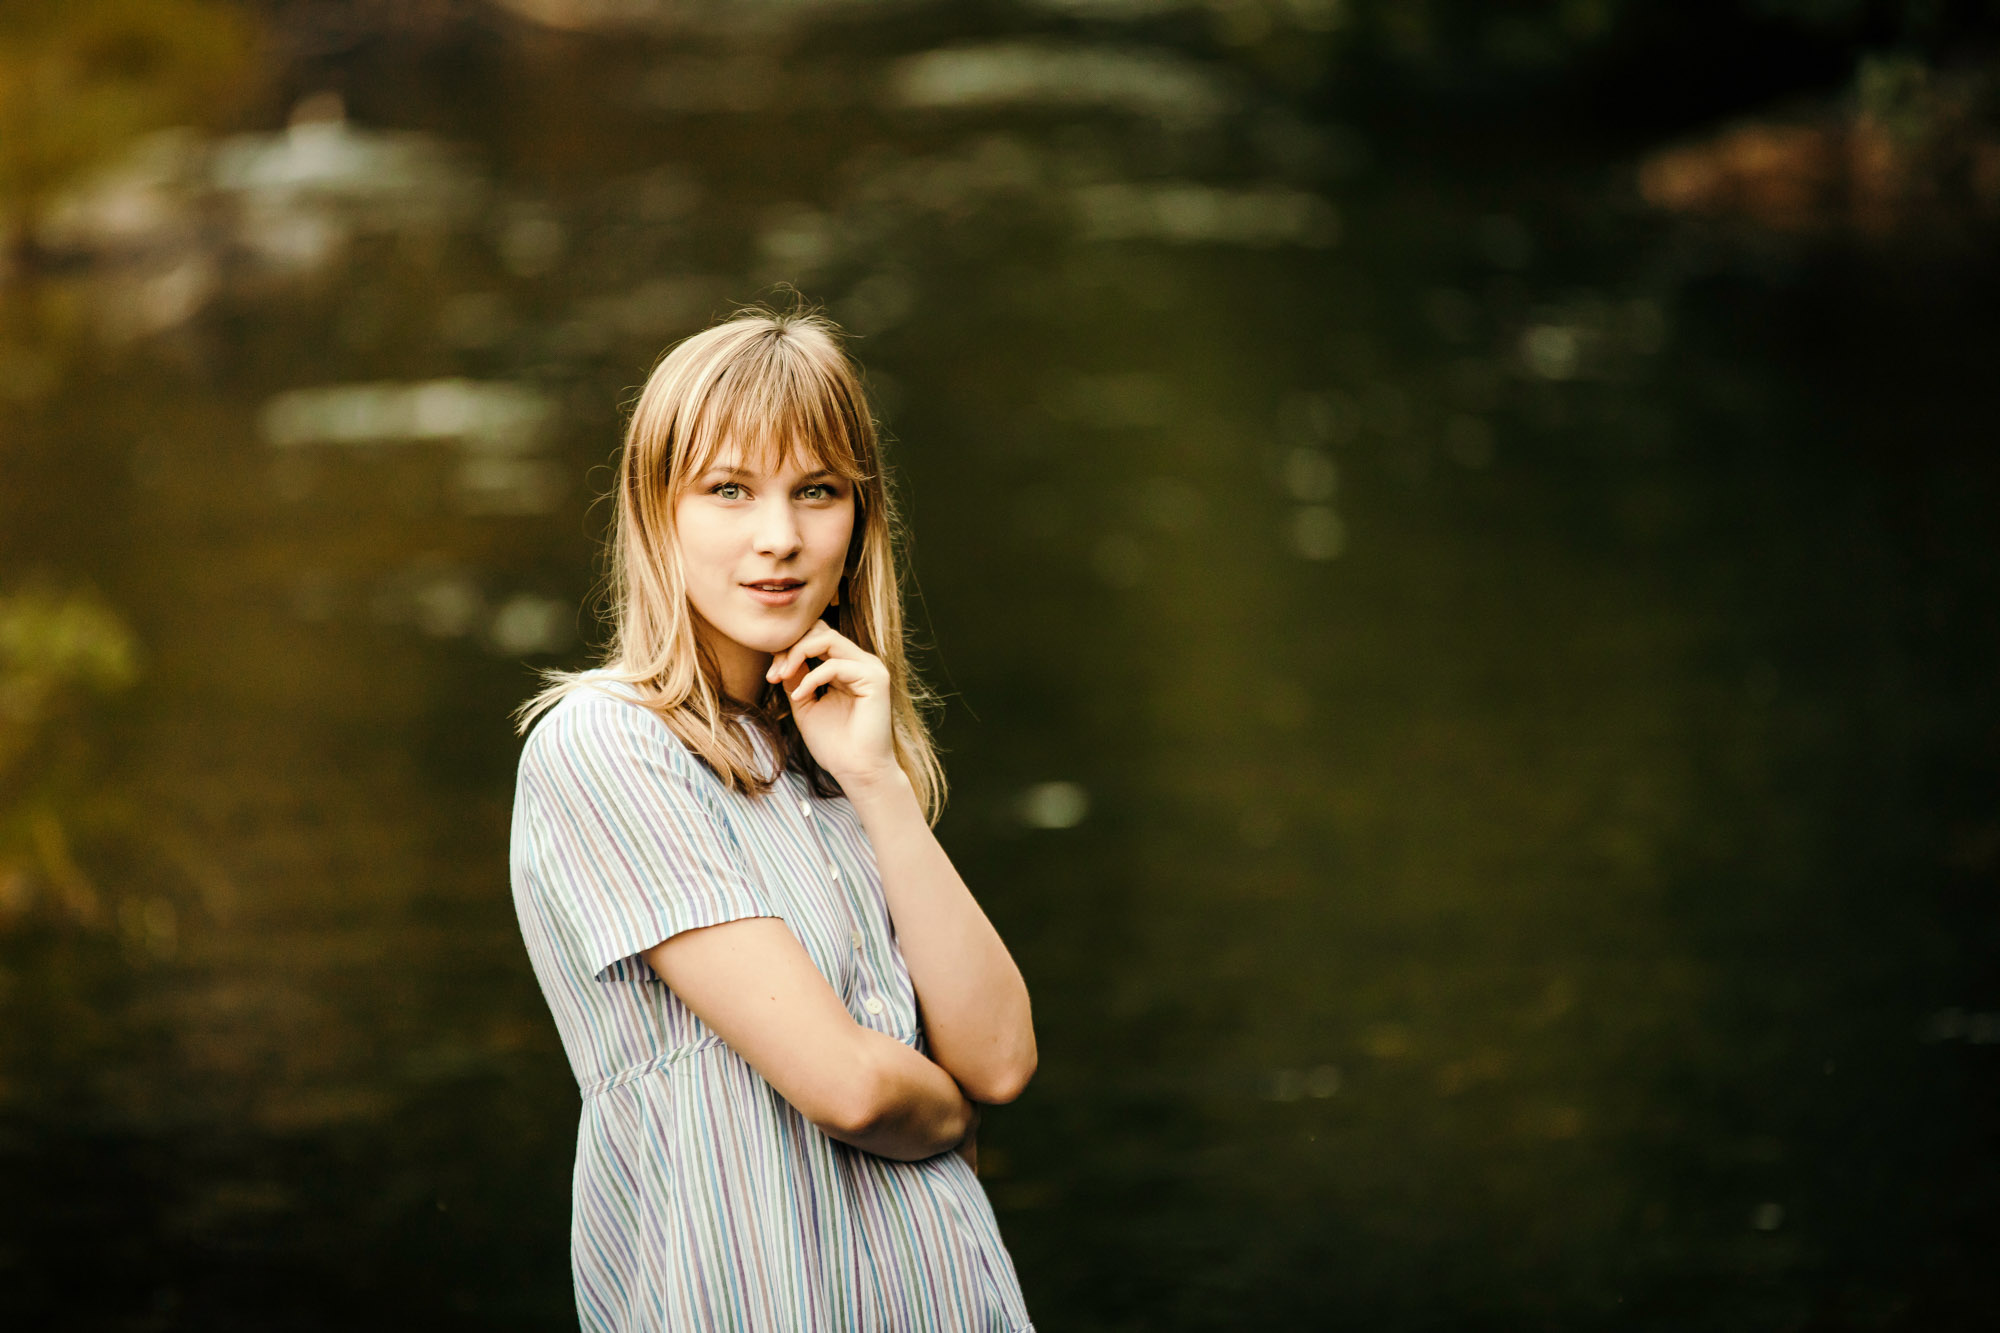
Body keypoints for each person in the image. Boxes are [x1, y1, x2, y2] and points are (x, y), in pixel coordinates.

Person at [508, 306, 1038, 1331]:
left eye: (816, 491)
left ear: (858, 517)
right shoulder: (605, 747)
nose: (779, 537)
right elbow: (845, 1085)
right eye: (728, 490)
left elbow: (1004, 1052)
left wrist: (879, 781)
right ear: (656, 512)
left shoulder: (835, 761)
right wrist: (949, 1112)